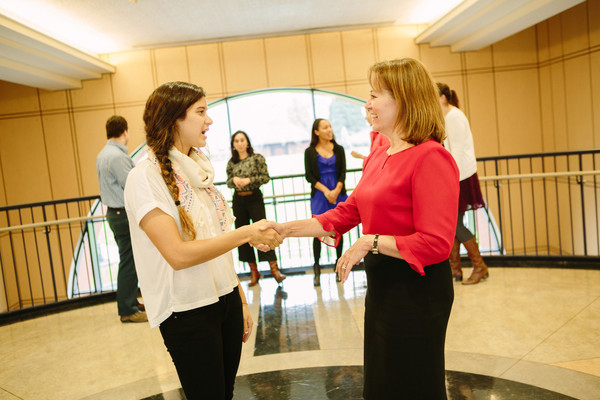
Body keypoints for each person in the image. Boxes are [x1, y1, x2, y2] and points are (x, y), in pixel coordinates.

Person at [264, 58, 459, 399]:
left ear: (405, 99)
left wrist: (371, 241)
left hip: (417, 290)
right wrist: (285, 229)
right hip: (383, 283)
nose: (366, 104)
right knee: (383, 381)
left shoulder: (431, 157)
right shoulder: (382, 152)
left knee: (413, 383)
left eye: (374, 94)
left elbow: (436, 244)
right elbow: (350, 210)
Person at [123, 81, 282, 399]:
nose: (209, 120)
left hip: (224, 300)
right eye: (201, 112)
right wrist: (247, 233)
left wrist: (238, 294)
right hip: (188, 310)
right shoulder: (145, 178)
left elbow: (216, 241)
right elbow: (177, 254)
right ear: (173, 120)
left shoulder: (200, 172)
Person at [96, 115, 147, 323]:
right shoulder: (117, 157)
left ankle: (131, 300)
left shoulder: (103, 154)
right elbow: (132, 185)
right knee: (130, 260)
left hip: (114, 213)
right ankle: (127, 308)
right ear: (125, 132)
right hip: (122, 213)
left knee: (128, 258)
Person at [437, 82, 489, 285]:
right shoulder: (448, 117)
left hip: (461, 177)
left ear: (442, 98)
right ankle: (455, 269)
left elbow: (456, 152)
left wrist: (447, 180)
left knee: (455, 224)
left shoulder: (454, 117)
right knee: (452, 224)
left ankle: (479, 266)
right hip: (457, 176)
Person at [226, 130, 286, 286]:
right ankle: (254, 272)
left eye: (242, 140)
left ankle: (274, 269)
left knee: (264, 231)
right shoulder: (231, 162)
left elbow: (265, 177)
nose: (239, 143)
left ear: (247, 142)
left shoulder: (257, 158)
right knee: (243, 234)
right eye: (236, 141)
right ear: (233, 144)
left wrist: (248, 180)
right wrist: (235, 180)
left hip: (255, 198)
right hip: (239, 200)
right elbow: (228, 182)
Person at [304, 118, 348, 286]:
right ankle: (317, 268)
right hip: (320, 195)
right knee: (318, 230)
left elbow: (343, 171)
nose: (329, 129)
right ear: (317, 132)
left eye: (330, 126)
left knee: (338, 230)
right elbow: (310, 176)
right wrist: (326, 192)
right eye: (325, 127)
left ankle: (339, 265)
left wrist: (336, 191)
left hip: (338, 193)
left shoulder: (339, 149)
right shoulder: (309, 152)